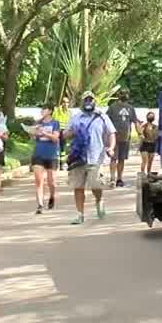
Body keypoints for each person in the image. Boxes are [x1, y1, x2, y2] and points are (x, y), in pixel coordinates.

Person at [66, 90, 116, 225]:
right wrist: (70, 133)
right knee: (78, 186)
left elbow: (112, 133)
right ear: (82, 102)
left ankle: (99, 200)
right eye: (86, 99)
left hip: (95, 157)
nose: (88, 102)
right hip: (78, 157)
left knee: (95, 184)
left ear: (95, 101)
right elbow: (65, 134)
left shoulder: (102, 117)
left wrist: (111, 147)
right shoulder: (76, 117)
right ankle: (80, 214)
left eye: (91, 99)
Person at [106, 89, 140, 188]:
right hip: (114, 138)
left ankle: (119, 179)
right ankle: (112, 179)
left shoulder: (130, 108)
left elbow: (135, 121)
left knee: (122, 159)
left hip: (125, 138)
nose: (125, 95)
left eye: (126, 94)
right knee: (113, 158)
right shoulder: (112, 107)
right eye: (123, 93)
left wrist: (140, 133)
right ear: (119, 95)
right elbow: (106, 121)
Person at [30, 105, 60, 214]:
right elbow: (32, 136)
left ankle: (52, 196)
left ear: (50, 111)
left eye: (45, 109)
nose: (42, 111)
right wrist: (33, 132)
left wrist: (44, 133)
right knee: (39, 181)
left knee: (51, 181)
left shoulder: (55, 123)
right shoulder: (37, 122)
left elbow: (55, 138)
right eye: (41, 109)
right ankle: (40, 205)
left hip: (51, 155)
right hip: (38, 154)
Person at [139, 111, 160, 176]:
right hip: (145, 145)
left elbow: (156, 136)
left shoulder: (155, 127)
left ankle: (149, 173)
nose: (151, 117)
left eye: (152, 116)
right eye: (149, 116)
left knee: (150, 161)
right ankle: (142, 173)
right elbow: (140, 134)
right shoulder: (144, 126)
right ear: (147, 117)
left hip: (152, 145)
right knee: (144, 161)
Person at [53, 96, 71, 171]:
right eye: (64, 102)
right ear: (61, 103)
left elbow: (70, 123)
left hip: (64, 132)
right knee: (57, 148)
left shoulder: (69, 112)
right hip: (57, 131)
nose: (65, 104)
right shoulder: (57, 111)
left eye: (67, 102)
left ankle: (62, 164)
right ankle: (56, 164)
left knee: (63, 149)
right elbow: (54, 121)